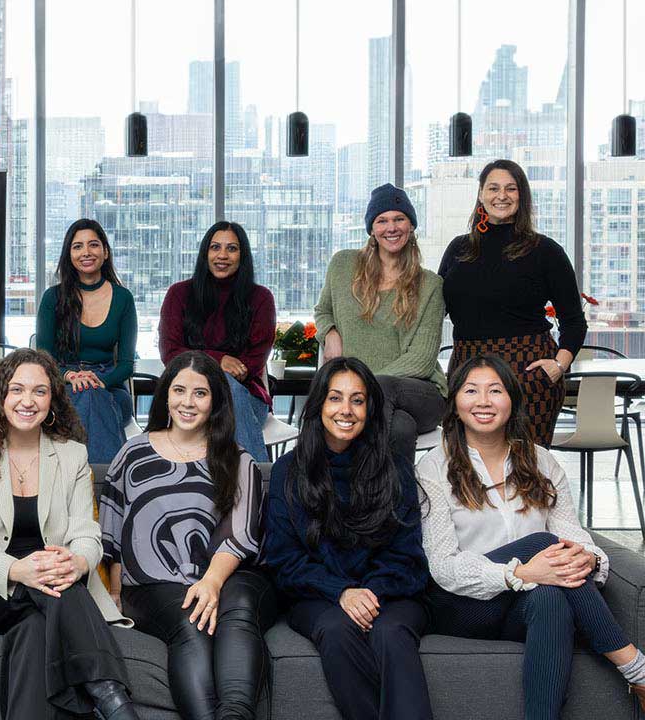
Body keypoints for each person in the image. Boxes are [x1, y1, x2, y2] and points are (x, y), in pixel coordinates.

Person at [417, 354, 645, 717]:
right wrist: (520, 574)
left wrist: (589, 556)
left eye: (496, 390)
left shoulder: (541, 461)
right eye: (471, 390)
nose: (484, 401)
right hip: (460, 606)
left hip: (522, 607)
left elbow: (573, 535)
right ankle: (635, 667)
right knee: (543, 545)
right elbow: (444, 568)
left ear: (512, 400)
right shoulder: (433, 467)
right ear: (455, 401)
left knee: (550, 597)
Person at [0, 348, 140, 720]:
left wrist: (77, 562)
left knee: (34, 631)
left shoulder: (72, 454)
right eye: (17, 390)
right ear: (1, 397)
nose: (28, 401)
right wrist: (18, 570)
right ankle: (113, 699)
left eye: (40, 392)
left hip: (56, 582)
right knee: (56, 591)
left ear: (53, 399)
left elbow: (86, 532)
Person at [100, 350, 273, 720]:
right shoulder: (132, 452)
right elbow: (111, 532)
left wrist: (210, 583)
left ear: (215, 402)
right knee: (190, 622)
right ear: (165, 395)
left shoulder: (238, 459)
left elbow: (241, 535)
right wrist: (114, 591)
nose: (187, 402)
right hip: (147, 587)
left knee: (208, 616)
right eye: (179, 390)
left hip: (212, 580)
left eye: (200, 393)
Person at [262, 357, 432, 720]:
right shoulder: (288, 471)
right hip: (317, 596)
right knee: (336, 629)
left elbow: (407, 556)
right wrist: (341, 591)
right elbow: (283, 559)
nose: (347, 410)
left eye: (358, 400)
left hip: (390, 594)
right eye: (336, 398)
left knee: (390, 633)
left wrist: (367, 594)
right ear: (319, 404)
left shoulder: (394, 466)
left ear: (370, 409)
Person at [439, 159, 586, 446]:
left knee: (526, 472)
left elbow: (574, 321)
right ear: (481, 194)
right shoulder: (459, 249)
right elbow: (432, 311)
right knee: (467, 469)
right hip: (467, 371)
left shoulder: (545, 250)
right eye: (493, 188)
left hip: (528, 374)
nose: (501, 196)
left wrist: (558, 366)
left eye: (511, 188)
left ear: (522, 195)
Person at [317, 183, 446, 463]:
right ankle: (391, 504)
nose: (392, 227)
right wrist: (330, 333)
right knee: (399, 428)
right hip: (368, 401)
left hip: (419, 392)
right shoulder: (343, 265)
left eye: (399, 219)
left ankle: (354, 483)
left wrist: (361, 383)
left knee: (384, 386)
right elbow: (323, 311)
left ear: (411, 226)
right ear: (372, 229)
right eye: (382, 220)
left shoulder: (430, 285)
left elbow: (422, 360)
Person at [159, 221, 274, 463]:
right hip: (189, 393)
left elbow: (252, 362)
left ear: (243, 255)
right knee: (221, 386)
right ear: (205, 253)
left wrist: (213, 367)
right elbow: (171, 352)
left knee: (229, 388)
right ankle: (258, 477)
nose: (222, 255)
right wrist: (218, 360)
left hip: (245, 396)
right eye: (215, 247)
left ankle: (256, 483)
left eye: (231, 248)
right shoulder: (179, 294)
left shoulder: (261, 298)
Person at [36, 218, 137, 464]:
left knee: (92, 395)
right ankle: (111, 481)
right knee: (86, 397)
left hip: (110, 385)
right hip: (63, 382)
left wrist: (99, 381)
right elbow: (43, 359)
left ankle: (76, 478)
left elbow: (126, 365)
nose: (86, 252)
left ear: (105, 251)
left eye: (93, 245)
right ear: (69, 254)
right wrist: (70, 376)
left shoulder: (123, 298)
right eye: (77, 246)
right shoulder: (53, 298)